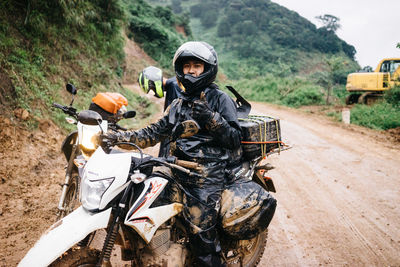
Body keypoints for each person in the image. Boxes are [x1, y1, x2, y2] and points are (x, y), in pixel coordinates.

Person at [102, 41, 242, 266]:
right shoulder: (178, 103)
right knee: (139, 203)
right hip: (175, 169)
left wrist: (211, 118)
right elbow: (154, 131)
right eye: (187, 66)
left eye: (197, 65)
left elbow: (235, 139)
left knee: (201, 236)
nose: (191, 71)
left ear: (208, 69)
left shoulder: (220, 99)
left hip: (206, 175)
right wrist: (120, 137)